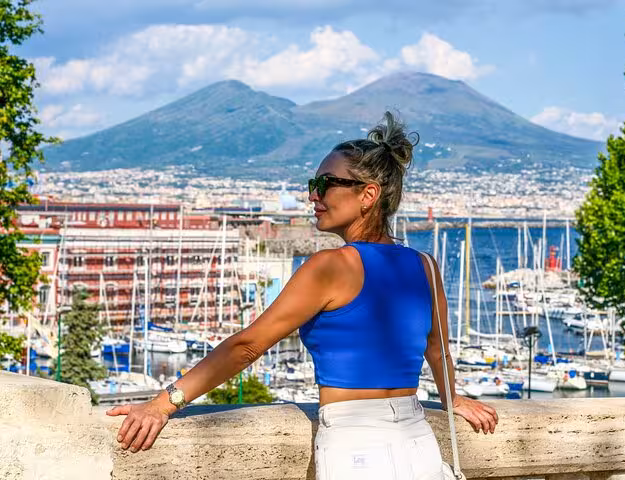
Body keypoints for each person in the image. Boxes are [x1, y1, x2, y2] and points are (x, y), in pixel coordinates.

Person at [107, 111, 499, 479]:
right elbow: (438, 350)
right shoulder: (426, 266)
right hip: (418, 442)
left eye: (325, 183)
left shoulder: (331, 266)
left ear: (368, 194)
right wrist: (454, 400)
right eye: (314, 185)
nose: (313, 195)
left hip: (356, 446)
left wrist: (164, 402)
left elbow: (248, 345)